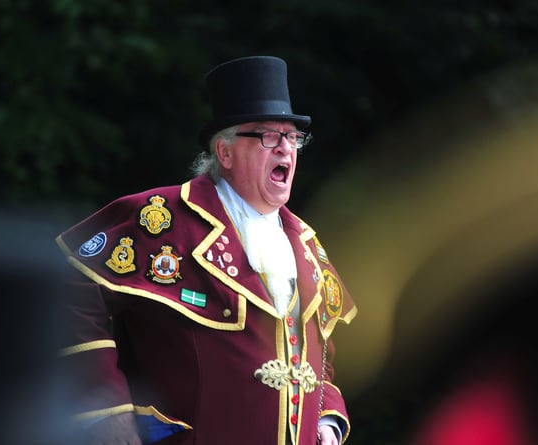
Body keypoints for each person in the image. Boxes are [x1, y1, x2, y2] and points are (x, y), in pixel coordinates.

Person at [55, 55, 357, 445]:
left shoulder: (307, 243)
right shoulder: (163, 219)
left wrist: (327, 418)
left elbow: (323, 353)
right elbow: (66, 290)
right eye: (267, 135)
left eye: (292, 137)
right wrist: (107, 410)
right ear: (225, 152)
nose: (285, 148)